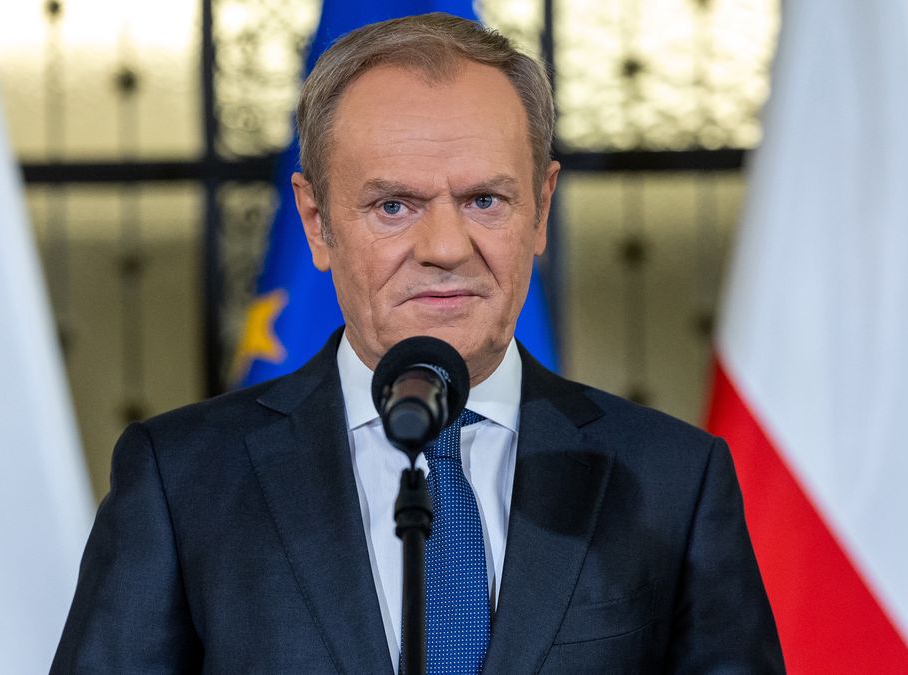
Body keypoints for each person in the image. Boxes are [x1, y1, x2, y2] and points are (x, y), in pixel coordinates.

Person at [51, 13, 783, 673]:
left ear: (540, 209)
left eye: (485, 200)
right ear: (316, 221)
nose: (444, 247)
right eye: (394, 205)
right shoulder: (183, 481)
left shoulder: (672, 481)